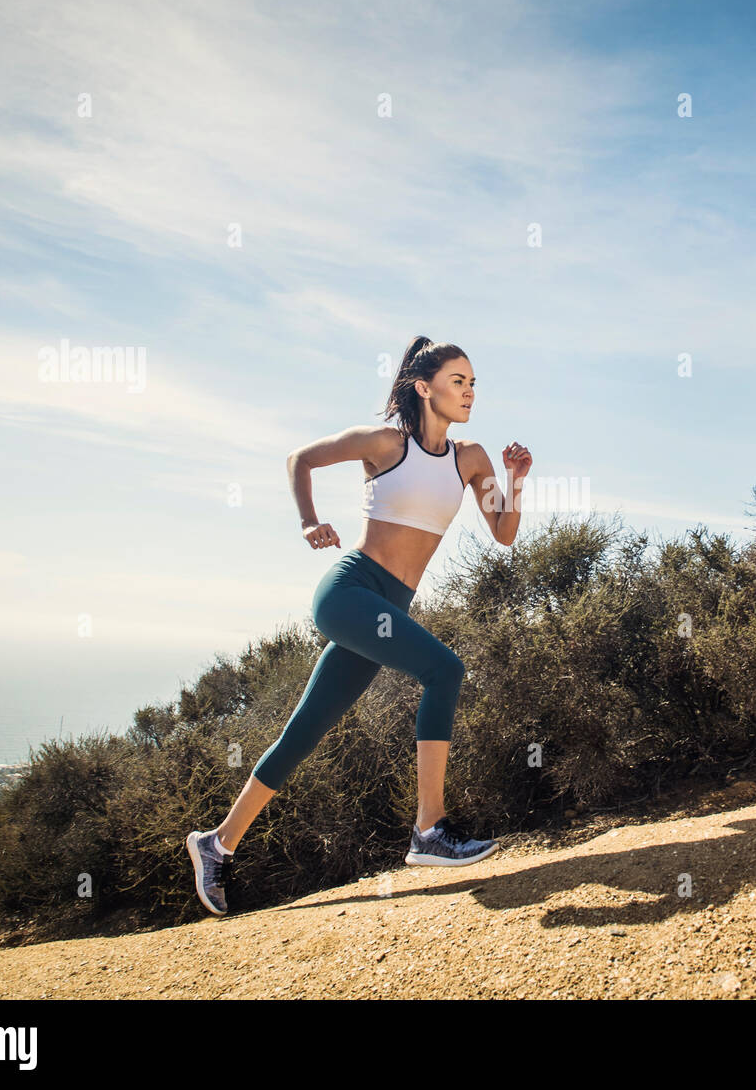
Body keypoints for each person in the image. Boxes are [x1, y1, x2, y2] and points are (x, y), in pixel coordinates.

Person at [186, 335, 532, 916]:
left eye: (473, 383)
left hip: (387, 609)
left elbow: (505, 532)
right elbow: (300, 459)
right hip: (350, 593)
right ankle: (429, 830)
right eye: (458, 382)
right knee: (445, 670)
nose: (469, 392)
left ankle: (215, 845)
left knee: (306, 729)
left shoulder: (471, 458)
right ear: (424, 388)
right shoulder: (383, 443)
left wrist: (517, 476)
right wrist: (308, 522)